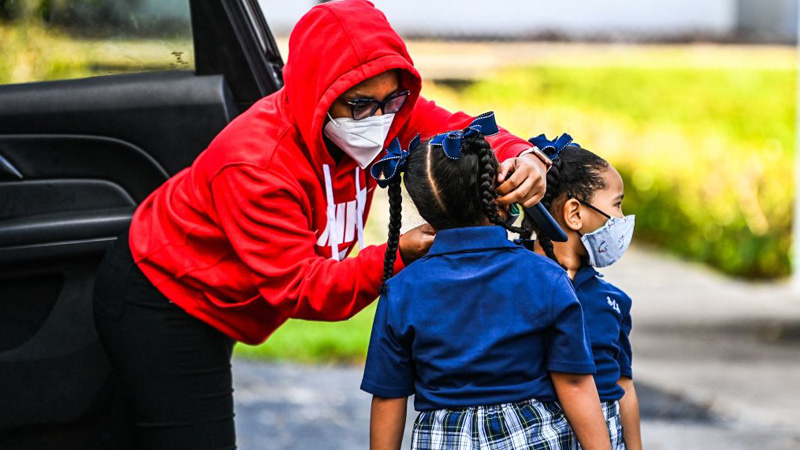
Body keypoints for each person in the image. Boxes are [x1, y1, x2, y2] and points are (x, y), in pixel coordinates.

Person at [92, 0, 551, 448]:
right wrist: (399, 253)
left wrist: (522, 155)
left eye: (393, 99)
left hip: (222, 297)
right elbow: (302, 287)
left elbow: (461, 130)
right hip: (164, 295)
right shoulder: (256, 164)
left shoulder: (388, 115)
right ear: (319, 96)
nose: (380, 120)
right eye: (359, 106)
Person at [361, 114, 612, 450]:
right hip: (532, 437)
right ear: (495, 192)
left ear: (425, 209)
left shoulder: (402, 289)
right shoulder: (545, 276)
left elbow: (389, 397)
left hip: (443, 438)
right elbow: (574, 381)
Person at [523, 135, 642, 450]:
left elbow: (623, 384)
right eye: (616, 204)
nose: (621, 218)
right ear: (575, 213)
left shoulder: (613, 301)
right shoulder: (514, 284)